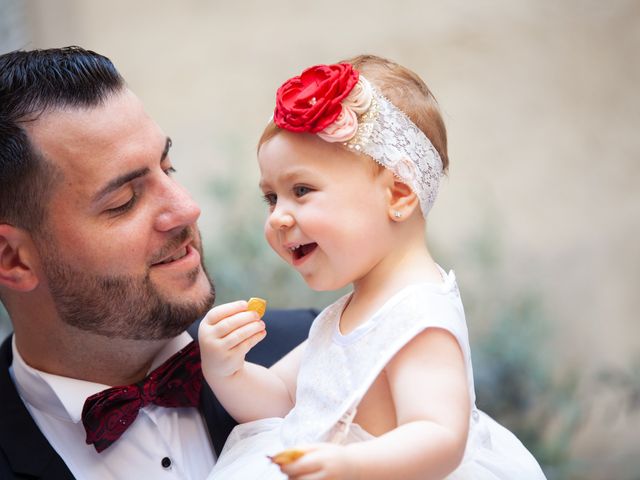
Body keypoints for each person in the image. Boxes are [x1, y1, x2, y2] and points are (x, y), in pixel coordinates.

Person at [199, 55, 547, 479]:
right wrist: (226, 370)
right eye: (272, 198)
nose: (277, 218)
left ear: (398, 195)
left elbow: (439, 435)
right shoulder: (347, 312)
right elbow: (283, 401)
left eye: (301, 190)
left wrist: (352, 463)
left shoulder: (418, 316)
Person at [0, 46, 315, 479]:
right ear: (13, 259)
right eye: (124, 201)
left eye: (168, 168)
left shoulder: (324, 352)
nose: (186, 209)